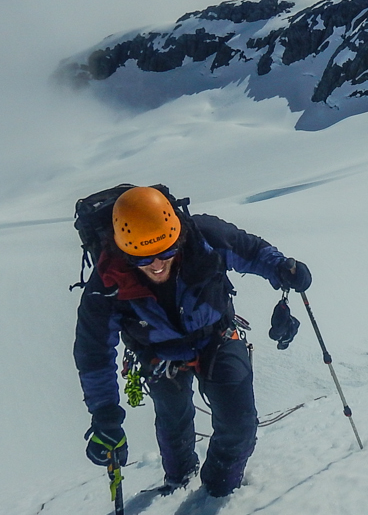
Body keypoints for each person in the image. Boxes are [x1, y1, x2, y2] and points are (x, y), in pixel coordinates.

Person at [73, 186, 311, 498]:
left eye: (166, 252)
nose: (157, 265)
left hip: (218, 336)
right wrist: (105, 416)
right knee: (173, 426)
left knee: (239, 425)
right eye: (142, 258)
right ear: (123, 252)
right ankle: (179, 479)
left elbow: (251, 251)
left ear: (177, 237)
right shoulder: (105, 285)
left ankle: (217, 491)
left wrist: (283, 268)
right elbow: (94, 355)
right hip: (158, 356)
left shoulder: (204, 237)